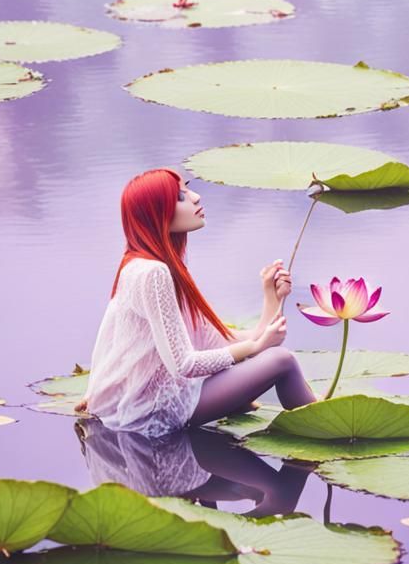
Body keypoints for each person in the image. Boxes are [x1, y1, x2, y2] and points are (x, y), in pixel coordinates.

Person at [78, 168, 316, 437]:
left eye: (188, 189)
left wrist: (271, 298)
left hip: (163, 394)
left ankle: (318, 418)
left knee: (270, 357)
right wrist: (257, 345)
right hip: (150, 411)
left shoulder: (158, 265)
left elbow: (222, 342)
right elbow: (185, 364)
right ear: (157, 214)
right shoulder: (152, 273)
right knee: (282, 361)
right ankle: (324, 431)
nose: (196, 197)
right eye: (181, 196)